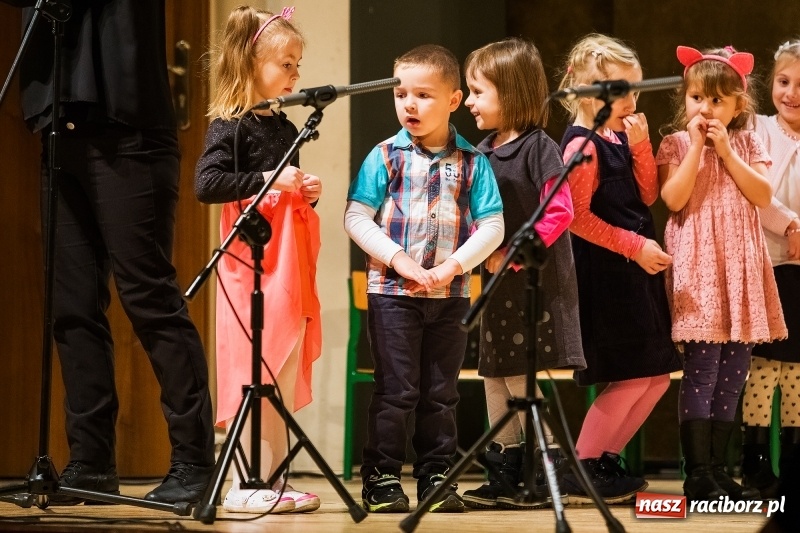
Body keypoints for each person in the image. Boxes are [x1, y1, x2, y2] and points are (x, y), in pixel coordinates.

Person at [12, 0, 215, 505]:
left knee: (149, 298)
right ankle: (91, 464)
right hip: (59, 125)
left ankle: (194, 464)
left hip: (129, 131)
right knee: (72, 307)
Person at [344, 44, 504, 513]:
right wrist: (398, 260)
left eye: (424, 95)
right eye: (401, 93)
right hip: (392, 293)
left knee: (441, 392)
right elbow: (357, 217)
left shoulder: (474, 162)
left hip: (450, 295)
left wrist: (451, 267)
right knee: (396, 390)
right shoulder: (385, 156)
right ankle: (382, 477)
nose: (409, 104)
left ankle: (436, 474)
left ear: (454, 100)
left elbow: (492, 225)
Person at [194, 6, 323, 514]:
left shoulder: (287, 126)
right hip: (249, 264)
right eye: (286, 64)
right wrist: (271, 181)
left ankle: (272, 477)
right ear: (251, 63)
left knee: (283, 367)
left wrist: (306, 190)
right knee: (255, 367)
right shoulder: (230, 125)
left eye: (297, 64)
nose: (295, 74)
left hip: (287, 262)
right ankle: (243, 481)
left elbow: (286, 190)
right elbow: (208, 185)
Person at [459, 37, 585, 510]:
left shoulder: (539, 147)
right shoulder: (481, 152)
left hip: (532, 281)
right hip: (495, 285)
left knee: (520, 379)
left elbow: (559, 212)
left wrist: (512, 252)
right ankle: (504, 470)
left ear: (509, 94)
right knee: (493, 373)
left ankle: (548, 471)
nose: (468, 102)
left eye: (477, 91)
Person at [656, 45, 787, 501]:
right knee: (704, 369)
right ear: (685, 99)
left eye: (716, 101)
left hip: (742, 268)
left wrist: (727, 149)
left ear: (737, 106)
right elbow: (673, 199)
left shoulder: (749, 143)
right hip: (700, 267)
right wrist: (696, 146)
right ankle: (697, 472)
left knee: (735, 369)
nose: (705, 109)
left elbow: (762, 193)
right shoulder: (674, 143)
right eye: (697, 99)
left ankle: (718, 472)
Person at [556, 34, 682, 505]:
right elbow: (577, 217)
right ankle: (583, 465)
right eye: (622, 90)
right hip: (609, 275)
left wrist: (641, 146)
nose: (632, 101)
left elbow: (646, 195)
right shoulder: (580, 147)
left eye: (635, 90)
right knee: (631, 374)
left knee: (654, 375)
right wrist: (632, 246)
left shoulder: (617, 136)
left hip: (636, 270)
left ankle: (606, 459)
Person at [740, 40, 800, 499]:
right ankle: (755, 459)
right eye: (784, 81)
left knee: (797, 369)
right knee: (763, 366)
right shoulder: (757, 130)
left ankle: (795, 460)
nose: (791, 93)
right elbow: (755, 192)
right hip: (766, 264)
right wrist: (792, 225)